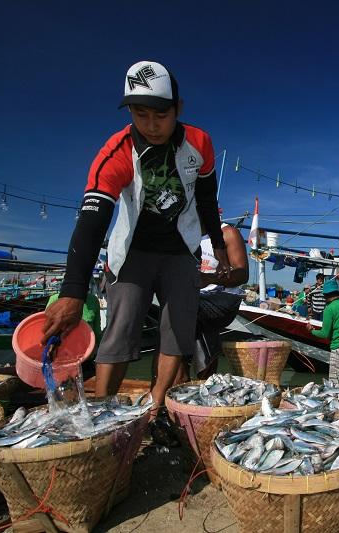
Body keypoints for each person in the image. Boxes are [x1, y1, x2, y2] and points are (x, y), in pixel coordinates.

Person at [41, 61, 230, 418]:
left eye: (161, 114)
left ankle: (156, 406)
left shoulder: (199, 143)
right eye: (141, 115)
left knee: (178, 329)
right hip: (133, 252)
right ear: (130, 112)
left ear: (179, 109)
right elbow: (93, 219)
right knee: (121, 329)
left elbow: (207, 197)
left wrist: (217, 244)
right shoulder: (117, 151)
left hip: (180, 250)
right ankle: (100, 411)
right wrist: (72, 291)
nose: (152, 125)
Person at [176, 220, 248, 381]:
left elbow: (242, 274)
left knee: (189, 309)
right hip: (193, 299)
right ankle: (191, 380)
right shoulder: (183, 233)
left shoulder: (228, 233)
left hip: (224, 298)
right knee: (177, 311)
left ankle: (189, 380)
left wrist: (210, 278)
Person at [307, 279, 339, 383]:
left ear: (325, 295)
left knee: (336, 385)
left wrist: (312, 331)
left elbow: (325, 334)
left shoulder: (329, 309)